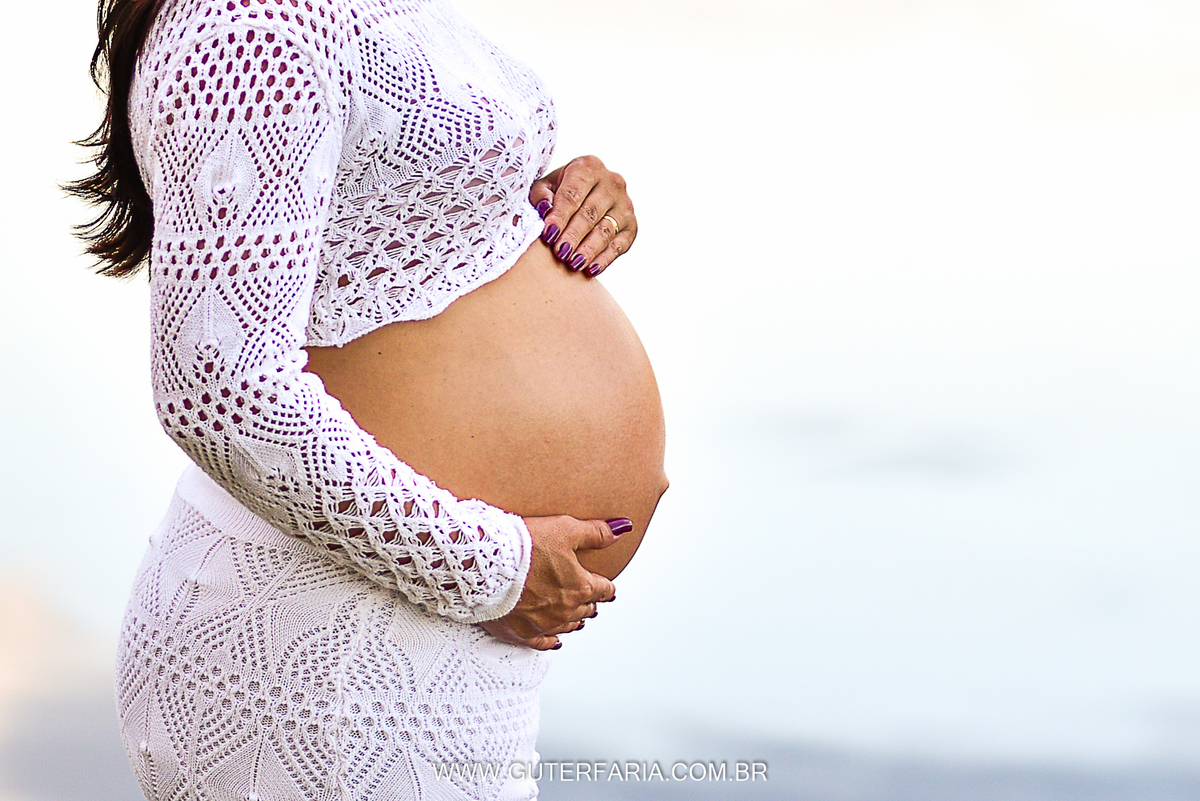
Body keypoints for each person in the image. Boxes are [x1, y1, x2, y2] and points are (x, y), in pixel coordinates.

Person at [70, 0, 668, 798]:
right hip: (327, 657)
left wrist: (554, 204)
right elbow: (217, 389)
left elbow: (376, 213)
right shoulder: (247, 23)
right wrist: (488, 567)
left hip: (398, 645)